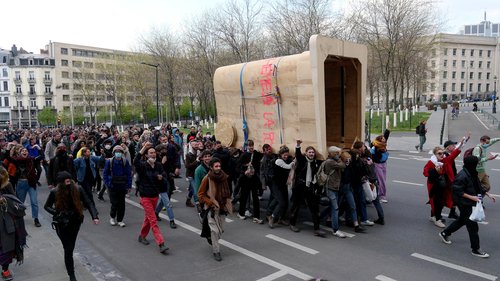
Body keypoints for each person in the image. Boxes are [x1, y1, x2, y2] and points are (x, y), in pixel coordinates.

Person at [44, 171, 99, 281]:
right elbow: (47, 206)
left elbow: (88, 202)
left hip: (75, 222)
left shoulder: (78, 189)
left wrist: (94, 216)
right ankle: (71, 274)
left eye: (69, 181)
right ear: (60, 183)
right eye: (66, 182)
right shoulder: (54, 192)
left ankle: (68, 260)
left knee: (71, 246)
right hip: (61, 223)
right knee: (68, 249)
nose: (68, 183)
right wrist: (57, 213)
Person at [439, 156, 496, 258]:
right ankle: (475, 249)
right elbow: (457, 191)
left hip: (471, 202)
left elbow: (477, 185)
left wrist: (487, 194)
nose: (478, 165)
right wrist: (472, 197)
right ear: (472, 164)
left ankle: (445, 233)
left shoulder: (472, 172)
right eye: (476, 163)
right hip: (464, 203)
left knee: (462, 220)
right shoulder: (462, 175)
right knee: (473, 226)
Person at [134, 142, 169, 254]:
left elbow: (164, 175)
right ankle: (161, 243)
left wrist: (161, 177)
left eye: (154, 153)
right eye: (150, 153)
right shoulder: (143, 166)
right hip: (145, 197)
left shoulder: (158, 165)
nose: (153, 154)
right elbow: (135, 161)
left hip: (154, 196)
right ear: (146, 155)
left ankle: (142, 236)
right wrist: (144, 147)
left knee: (148, 218)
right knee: (153, 220)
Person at [197, 157, 233, 261]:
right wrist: (210, 202)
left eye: (219, 166)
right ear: (211, 167)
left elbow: (228, 192)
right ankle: (216, 251)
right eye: (216, 166)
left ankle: (210, 237)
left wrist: (228, 203)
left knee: (220, 231)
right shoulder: (207, 178)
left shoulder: (224, 177)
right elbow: (200, 194)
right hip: (212, 209)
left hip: (222, 208)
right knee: (215, 231)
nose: (218, 168)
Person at [288, 140, 325, 237]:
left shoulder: (316, 162)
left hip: (310, 188)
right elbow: (298, 154)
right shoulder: (302, 160)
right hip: (300, 187)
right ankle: (292, 224)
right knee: (296, 207)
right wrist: (298, 145)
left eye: (313, 152)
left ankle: (317, 229)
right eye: (309, 152)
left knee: (314, 208)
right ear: (306, 153)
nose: (311, 154)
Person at [0, 167, 28, 281]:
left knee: (6, 246)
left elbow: (16, 202)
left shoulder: (7, 186)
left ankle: (5, 270)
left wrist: (5, 200)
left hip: (6, 220)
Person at [423, 145, 461, 228]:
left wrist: (462, 143)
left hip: (443, 185)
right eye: (439, 153)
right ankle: (437, 219)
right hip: (434, 185)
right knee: (437, 202)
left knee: (440, 201)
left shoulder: (444, 160)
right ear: (435, 154)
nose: (441, 155)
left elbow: (453, 155)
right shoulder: (431, 162)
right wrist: (434, 170)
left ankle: (433, 216)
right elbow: (425, 173)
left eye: (442, 153)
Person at [10, 147, 41, 227]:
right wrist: (9, 147)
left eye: (26, 151)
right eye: (22, 151)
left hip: (31, 183)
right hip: (21, 183)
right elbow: (8, 157)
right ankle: (19, 217)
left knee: (34, 202)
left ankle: (36, 219)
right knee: (20, 202)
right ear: (20, 153)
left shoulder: (31, 160)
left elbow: (41, 156)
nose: (24, 152)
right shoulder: (16, 161)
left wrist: (39, 148)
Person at [321, 146, 348, 237]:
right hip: (330, 188)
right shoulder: (330, 162)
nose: (338, 155)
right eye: (336, 153)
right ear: (331, 154)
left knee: (332, 207)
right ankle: (335, 230)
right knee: (335, 208)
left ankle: (318, 217)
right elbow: (343, 165)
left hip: (335, 187)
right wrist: (339, 159)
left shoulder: (333, 160)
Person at [103, 146, 132, 227]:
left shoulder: (125, 161)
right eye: (116, 152)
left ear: (122, 153)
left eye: (120, 152)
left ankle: (120, 220)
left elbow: (129, 174)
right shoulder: (109, 161)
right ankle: (112, 217)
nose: (118, 153)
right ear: (114, 153)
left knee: (122, 204)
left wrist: (129, 185)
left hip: (122, 186)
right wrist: (108, 183)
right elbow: (105, 174)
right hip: (112, 186)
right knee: (114, 203)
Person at [267, 146, 292, 228]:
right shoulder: (278, 161)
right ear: (280, 154)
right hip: (276, 184)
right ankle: (272, 217)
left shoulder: (287, 159)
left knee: (285, 202)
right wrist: (294, 161)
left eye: (287, 155)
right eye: (284, 155)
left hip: (283, 184)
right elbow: (288, 167)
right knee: (281, 202)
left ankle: (280, 218)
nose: (286, 156)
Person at [370, 128, 391, 203]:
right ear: (379, 140)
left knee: (382, 180)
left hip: (384, 164)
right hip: (378, 164)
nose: (384, 139)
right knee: (381, 181)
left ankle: (377, 193)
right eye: (382, 138)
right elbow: (372, 155)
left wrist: (388, 130)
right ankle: (382, 196)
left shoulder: (383, 145)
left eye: (384, 138)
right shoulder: (375, 146)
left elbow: (386, 136)